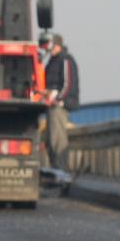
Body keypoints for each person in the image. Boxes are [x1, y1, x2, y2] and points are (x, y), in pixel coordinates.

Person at [40, 32, 79, 172]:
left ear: (56, 45)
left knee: (57, 139)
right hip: (50, 105)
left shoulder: (65, 60)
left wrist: (58, 99)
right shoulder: (52, 61)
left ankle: (61, 169)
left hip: (59, 106)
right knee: (50, 139)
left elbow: (68, 84)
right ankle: (55, 169)